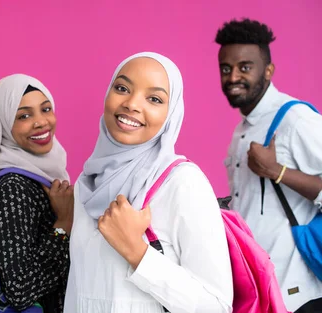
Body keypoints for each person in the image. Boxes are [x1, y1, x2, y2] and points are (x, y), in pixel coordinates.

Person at [65, 52, 233, 312]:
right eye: (122, 88)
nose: (132, 104)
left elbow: (216, 306)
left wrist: (136, 251)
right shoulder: (86, 184)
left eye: (154, 99)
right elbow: (79, 292)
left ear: (171, 114)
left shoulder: (183, 183)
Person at [216, 18, 322, 313]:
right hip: (259, 292)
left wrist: (277, 172)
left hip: (299, 295)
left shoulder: (296, 120)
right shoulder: (242, 130)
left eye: (244, 67)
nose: (233, 76)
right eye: (226, 68)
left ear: (268, 71)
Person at [0, 74, 73, 313]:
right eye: (24, 116)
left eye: (46, 109)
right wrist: (63, 225)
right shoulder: (13, 187)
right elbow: (20, 290)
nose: (41, 122)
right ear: (3, 125)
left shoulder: (44, 172)